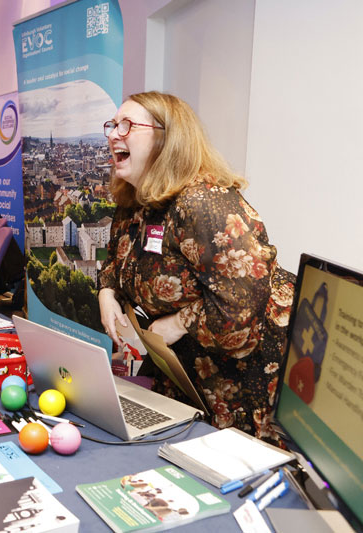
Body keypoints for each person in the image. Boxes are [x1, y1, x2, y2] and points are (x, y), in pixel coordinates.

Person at [97, 91, 295, 444]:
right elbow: (116, 257)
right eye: (112, 125)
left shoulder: (203, 203)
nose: (113, 134)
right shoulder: (133, 200)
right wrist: (107, 291)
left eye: (126, 126)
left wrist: (179, 322)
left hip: (251, 374)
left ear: (167, 138)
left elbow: (240, 309)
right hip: (189, 373)